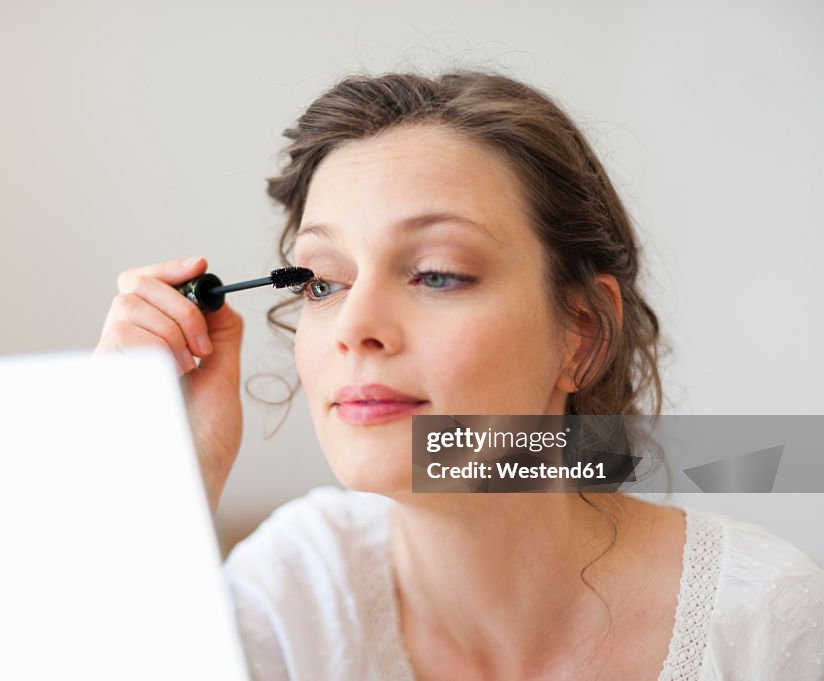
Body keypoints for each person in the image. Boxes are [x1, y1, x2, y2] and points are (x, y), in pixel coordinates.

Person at [95, 71, 824, 680]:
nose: (354, 325)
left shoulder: (768, 627)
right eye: (321, 282)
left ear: (583, 331)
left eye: (438, 274)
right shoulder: (295, 592)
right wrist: (157, 476)